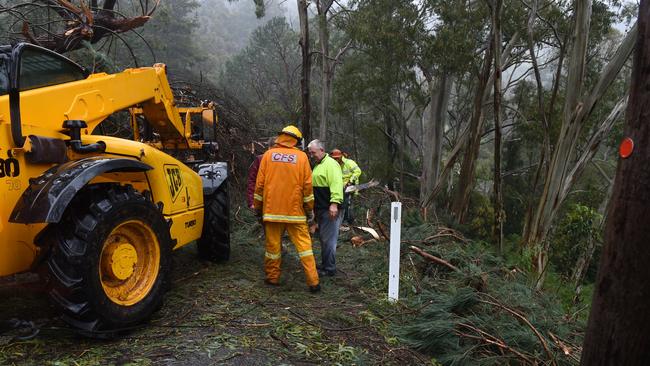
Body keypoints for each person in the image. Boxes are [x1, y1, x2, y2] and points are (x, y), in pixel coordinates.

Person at [253, 125, 320, 293]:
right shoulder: (302, 158)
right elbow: (307, 187)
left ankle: (272, 278)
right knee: (305, 248)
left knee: (273, 248)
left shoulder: (268, 156)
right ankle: (313, 282)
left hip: (272, 212)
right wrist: (309, 209)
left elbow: (259, 186)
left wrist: (258, 208)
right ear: (297, 141)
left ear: (280, 137)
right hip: (295, 214)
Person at [307, 140, 344, 277]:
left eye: (313, 152)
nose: (311, 155)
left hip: (330, 208)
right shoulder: (319, 165)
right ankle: (325, 264)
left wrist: (334, 203)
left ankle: (329, 269)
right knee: (324, 238)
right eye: (310, 153)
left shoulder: (331, 164)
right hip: (321, 208)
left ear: (322, 150)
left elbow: (336, 184)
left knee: (329, 239)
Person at [330, 149, 362, 225]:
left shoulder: (349, 163)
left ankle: (347, 221)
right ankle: (341, 220)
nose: (336, 160)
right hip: (340, 188)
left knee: (347, 203)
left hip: (351, 186)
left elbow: (358, 171)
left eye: (337, 158)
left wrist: (350, 181)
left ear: (341, 156)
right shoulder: (334, 165)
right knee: (341, 203)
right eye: (334, 158)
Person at [247, 137, 277, 209]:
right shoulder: (260, 159)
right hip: (264, 202)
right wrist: (252, 202)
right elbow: (252, 180)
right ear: (269, 147)